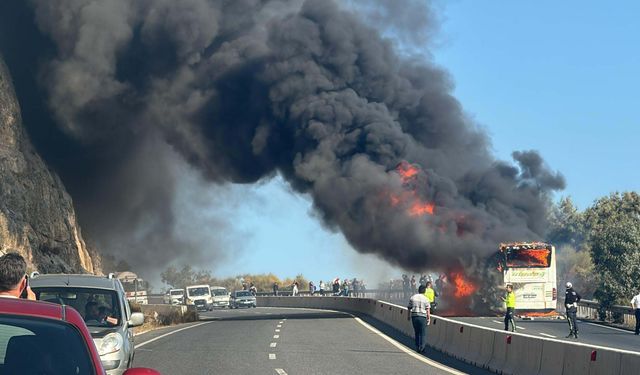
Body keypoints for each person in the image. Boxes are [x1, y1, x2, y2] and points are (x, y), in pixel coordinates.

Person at [407, 284, 431, 353]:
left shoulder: (413, 297)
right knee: (423, 333)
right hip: (423, 317)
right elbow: (428, 310)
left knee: (417, 332)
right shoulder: (426, 299)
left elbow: (409, 307)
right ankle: (422, 348)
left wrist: (408, 316)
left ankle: (417, 347)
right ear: (425, 291)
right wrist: (428, 319)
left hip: (414, 317)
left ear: (418, 290)